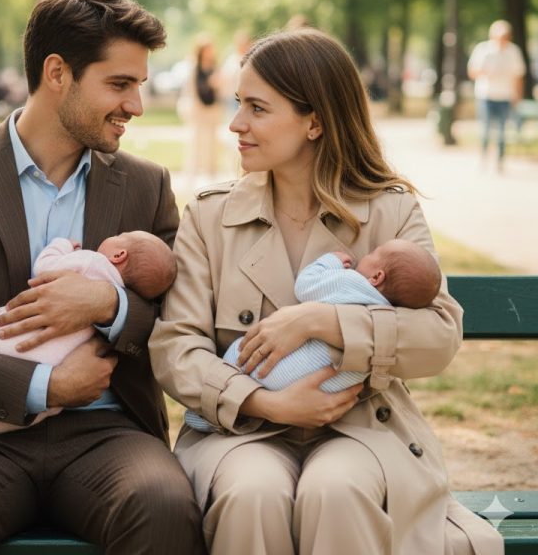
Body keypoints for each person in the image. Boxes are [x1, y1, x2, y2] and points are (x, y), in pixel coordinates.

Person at [0, 0, 205, 555]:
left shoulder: (147, 187)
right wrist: (43, 384)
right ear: (58, 73)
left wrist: (110, 305)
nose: (136, 105)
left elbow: (177, 325)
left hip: (107, 434)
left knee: (164, 505)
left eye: (139, 86)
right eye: (119, 84)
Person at [149, 28, 503, 555]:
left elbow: (438, 335)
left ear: (314, 120)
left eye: (257, 108)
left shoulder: (391, 210)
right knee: (253, 492)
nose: (235, 123)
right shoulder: (210, 215)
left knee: (336, 490)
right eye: (238, 103)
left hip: (365, 429)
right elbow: (177, 348)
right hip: (239, 429)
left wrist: (324, 322)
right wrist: (268, 402)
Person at [0, 232, 177, 435]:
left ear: (119, 255)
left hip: (14, 345)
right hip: (49, 372)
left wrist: (63, 247)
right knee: (44, 408)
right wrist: (48, 386)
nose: (115, 236)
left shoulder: (91, 260)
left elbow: (45, 268)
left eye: (120, 236)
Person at [183, 241, 441, 432]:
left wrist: (329, 262)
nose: (366, 254)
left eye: (373, 254)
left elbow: (306, 286)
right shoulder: (390, 312)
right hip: (333, 388)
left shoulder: (351, 283)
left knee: (243, 351)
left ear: (376, 277)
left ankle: (211, 417)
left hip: (275, 373)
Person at [467, 20, 526, 171]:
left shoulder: (513, 51)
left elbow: (518, 75)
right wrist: (485, 72)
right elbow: (471, 71)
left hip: (505, 96)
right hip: (485, 95)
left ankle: (500, 161)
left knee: (501, 132)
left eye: (505, 36)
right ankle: (483, 158)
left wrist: (518, 96)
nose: (502, 39)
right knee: (485, 130)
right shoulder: (483, 49)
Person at [178, 35, 224, 181]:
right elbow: (189, 91)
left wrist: (216, 84)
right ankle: (190, 176)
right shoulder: (193, 67)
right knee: (195, 142)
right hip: (197, 111)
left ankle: (212, 175)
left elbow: (221, 90)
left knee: (212, 144)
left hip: (211, 110)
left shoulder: (215, 67)